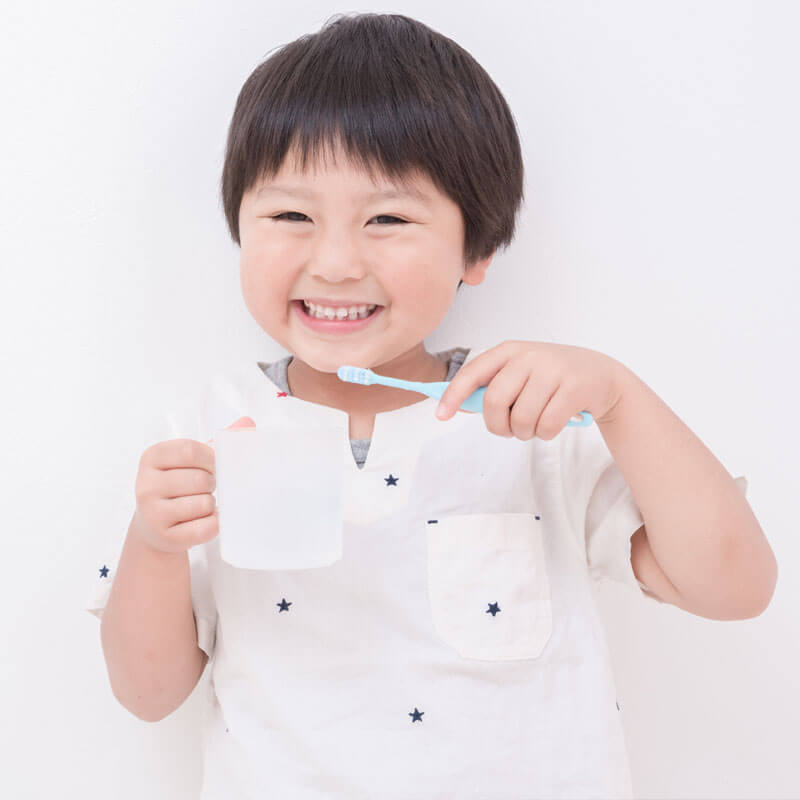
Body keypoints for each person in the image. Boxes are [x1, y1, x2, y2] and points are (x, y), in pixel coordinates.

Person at [86, 12, 774, 799]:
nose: (336, 262)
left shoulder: (531, 421)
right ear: (239, 228)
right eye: (289, 216)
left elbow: (735, 588)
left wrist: (620, 396)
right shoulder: (203, 432)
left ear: (476, 249)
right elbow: (147, 695)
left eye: (388, 219)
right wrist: (155, 542)